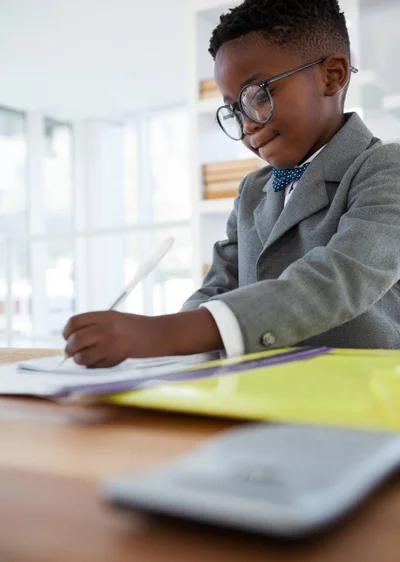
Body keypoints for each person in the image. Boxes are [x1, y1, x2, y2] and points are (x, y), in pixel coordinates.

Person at [63, 0, 400, 368]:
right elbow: (220, 285)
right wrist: (169, 348)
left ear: (332, 76)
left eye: (258, 96)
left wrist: (162, 334)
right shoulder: (252, 190)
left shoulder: (385, 168)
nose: (248, 125)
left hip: (363, 402)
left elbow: (336, 281)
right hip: (259, 394)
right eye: (235, 110)